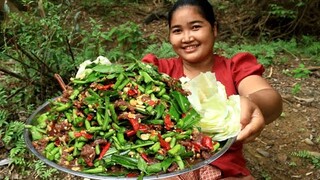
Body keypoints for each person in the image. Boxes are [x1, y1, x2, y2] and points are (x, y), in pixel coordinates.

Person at [142, 0, 283, 179]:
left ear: (214, 29)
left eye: (195, 27)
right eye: (177, 31)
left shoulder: (234, 68)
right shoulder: (158, 70)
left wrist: (247, 103)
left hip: (225, 171)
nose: (187, 38)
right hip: (166, 168)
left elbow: (270, 98)